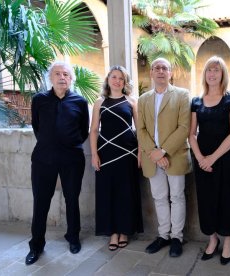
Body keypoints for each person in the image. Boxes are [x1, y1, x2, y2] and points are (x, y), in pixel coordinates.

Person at [26, 61, 89, 265]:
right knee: (41, 201)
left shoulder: (79, 101)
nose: (62, 77)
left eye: (66, 74)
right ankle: (36, 245)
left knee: (72, 199)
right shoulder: (39, 100)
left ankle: (73, 237)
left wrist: (69, 145)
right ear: (50, 78)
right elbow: (36, 127)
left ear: (71, 79)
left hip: (72, 159)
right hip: (43, 159)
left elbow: (84, 130)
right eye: (57, 74)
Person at [137, 57, 191, 257]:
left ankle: (177, 237)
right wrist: (154, 152)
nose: (160, 71)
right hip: (152, 157)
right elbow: (140, 129)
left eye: (164, 68)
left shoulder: (182, 95)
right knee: (159, 197)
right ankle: (163, 235)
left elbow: (184, 127)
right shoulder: (143, 99)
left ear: (171, 73)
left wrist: (164, 151)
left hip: (174, 155)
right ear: (151, 73)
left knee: (177, 196)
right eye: (156, 68)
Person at [189, 56, 230, 265]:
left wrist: (213, 157)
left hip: (225, 158)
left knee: (226, 200)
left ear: (222, 74)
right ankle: (212, 239)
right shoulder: (196, 101)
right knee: (206, 200)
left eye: (216, 70)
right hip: (202, 160)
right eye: (208, 70)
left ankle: (227, 241)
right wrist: (201, 158)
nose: (212, 74)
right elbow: (191, 134)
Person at [89, 66, 143, 251]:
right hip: (106, 154)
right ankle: (112, 232)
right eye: (114, 77)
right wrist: (94, 154)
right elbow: (94, 130)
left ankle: (125, 231)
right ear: (108, 79)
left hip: (128, 153)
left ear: (125, 82)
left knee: (126, 194)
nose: (117, 80)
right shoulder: (100, 102)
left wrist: (141, 153)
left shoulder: (131, 101)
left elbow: (140, 130)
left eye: (121, 78)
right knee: (108, 193)